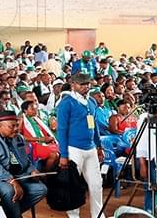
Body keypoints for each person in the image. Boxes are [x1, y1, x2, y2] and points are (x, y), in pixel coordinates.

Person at [0, 111, 47, 218]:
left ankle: (10, 213)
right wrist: (12, 180)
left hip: (19, 175)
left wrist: (32, 170)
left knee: (41, 189)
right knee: (10, 191)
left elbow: (25, 159)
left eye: (17, 125)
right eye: (12, 126)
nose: (16, 129)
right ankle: (15, 214)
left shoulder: (18, 137)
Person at [56, 73, 104, 218]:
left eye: (87, 84)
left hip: (90, 148)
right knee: (73, 185)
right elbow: (61, 130)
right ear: (73, 85)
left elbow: (94, 124)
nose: (86, 87)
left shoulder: (91, 102)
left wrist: (99, 145)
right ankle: (73, 216)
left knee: (96, 184)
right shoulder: (66, 103)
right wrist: (64, 155)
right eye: (82, 84)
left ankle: (98, 215)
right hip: (73, 149)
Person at [20, 100, 59, 171]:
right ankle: (45, 175)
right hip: (33, 145)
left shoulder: (36, 119)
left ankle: (55, 174)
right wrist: (39, 139)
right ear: (25, 111)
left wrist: (50, 138)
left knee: (61, 151)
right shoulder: (21, 120)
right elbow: (19, 137)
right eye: (32, 109)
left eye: (36, 109)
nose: (36, 111)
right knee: (54, 155)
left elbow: (44, 132)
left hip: (43, 143)